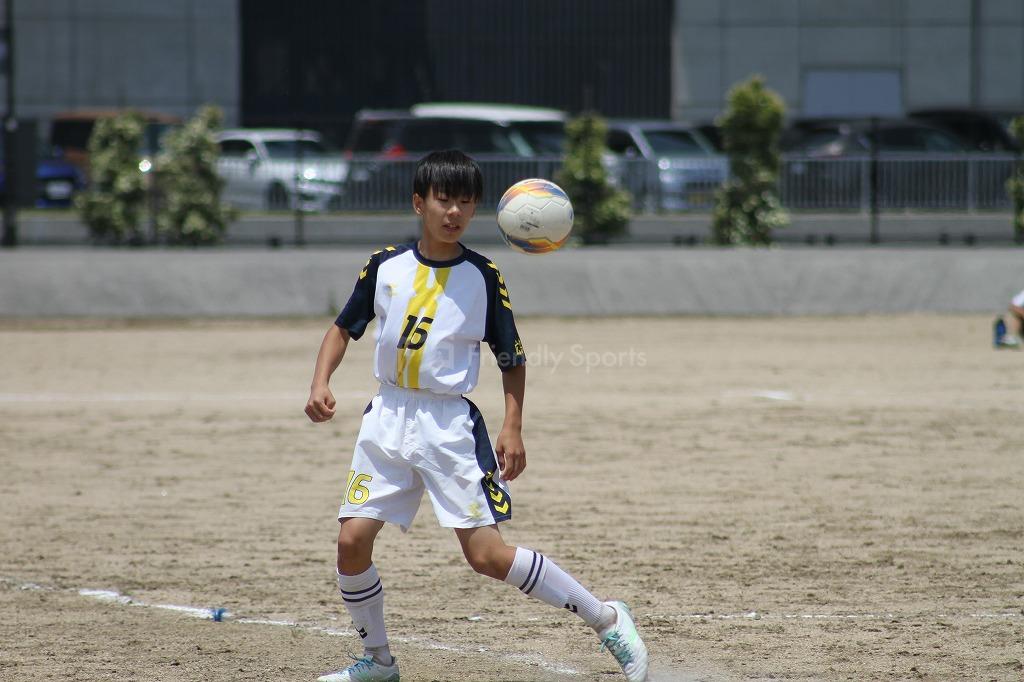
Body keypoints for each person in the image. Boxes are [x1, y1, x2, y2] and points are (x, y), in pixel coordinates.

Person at [304, 150, 649, 682]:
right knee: (351, 542)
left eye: (466, 203)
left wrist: (513, 426)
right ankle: (378, 662)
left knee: (487, 557)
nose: (454, 212)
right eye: (444, 200)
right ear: (419, 203)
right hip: (388, 416)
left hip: (449, 426)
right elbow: (342, 327)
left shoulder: (483, 275)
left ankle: (606, 618)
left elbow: (511, 357)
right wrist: (320, 381)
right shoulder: (385, 265)